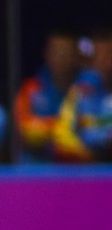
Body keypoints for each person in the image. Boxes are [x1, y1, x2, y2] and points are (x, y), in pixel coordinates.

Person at [14, 29, 81, 162]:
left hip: (77, 170)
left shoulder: (86, 89)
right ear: (47, 54)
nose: (61, 57)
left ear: (76, 57)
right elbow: (24, 130)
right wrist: (62, 129)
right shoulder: (31, 89)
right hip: (37, 169)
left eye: (66, 52)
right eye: (56, 52)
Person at [54, 29, 112, 163]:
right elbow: (62, 133)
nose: (106, 62)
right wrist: (87, 155)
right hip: (88, 166)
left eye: (109, 54)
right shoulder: (79, 92)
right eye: (100, 55)